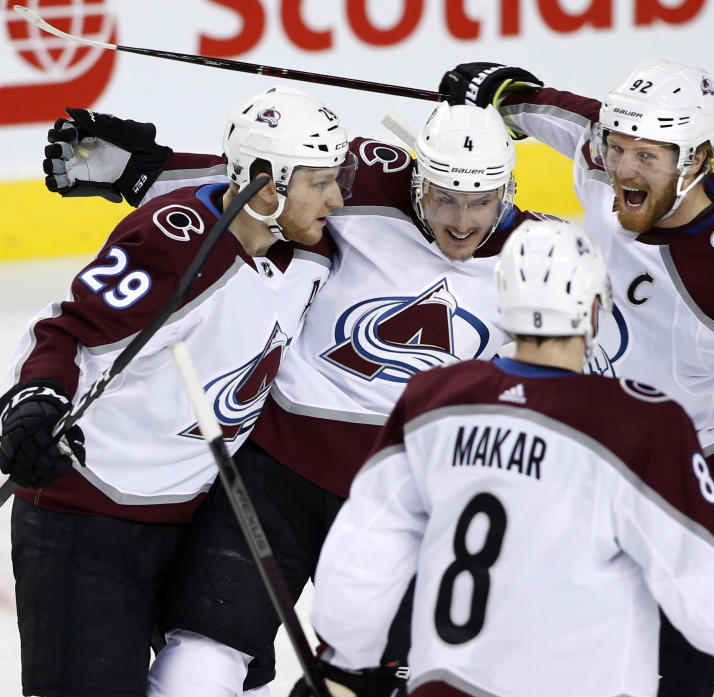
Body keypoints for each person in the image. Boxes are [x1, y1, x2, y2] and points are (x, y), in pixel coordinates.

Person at [42, 101, 561, 695]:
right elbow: (265, 181)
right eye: (443, 196)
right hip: (274, 477)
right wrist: (146, 172)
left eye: (482, 199)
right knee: (206, 654)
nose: (462, 220)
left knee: (388, 679)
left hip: (408, 498)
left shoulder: (545, 257)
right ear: (416, 179)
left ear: (510, 188)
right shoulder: (365, 177)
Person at [437, 59, 714, 697]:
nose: (622, 169)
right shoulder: (609, 159)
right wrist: (511, 98)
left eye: (647, 156)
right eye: (619, 149)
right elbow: (576, 121)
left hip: (695, 492)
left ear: (697, 157)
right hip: (586, 464)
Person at [302, 219, 714, 697]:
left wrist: (345, 662)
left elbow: (366, 547)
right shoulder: (638, 424)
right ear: (595, 311)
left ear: (504, 305)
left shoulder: (434, 399)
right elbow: (694, 572)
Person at [0, 85, 352, 697]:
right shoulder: (177, 243)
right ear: (269, 186)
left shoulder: (311, 254)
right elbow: (65, 330)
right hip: (88, 523)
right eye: (320, 182)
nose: (337, 198)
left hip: (192, 522)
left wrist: (149, 167)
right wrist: (34, 402)